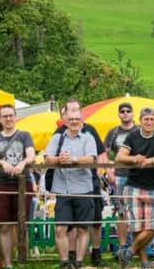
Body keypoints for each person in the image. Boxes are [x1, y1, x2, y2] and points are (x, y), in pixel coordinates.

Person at [116, 107, 154, 269]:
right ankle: (144, 263)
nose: (149, 122)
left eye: (151, 119)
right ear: (140, 121)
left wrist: (151, 161)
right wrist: (135, 158)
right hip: (133, 185)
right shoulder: (133, 136)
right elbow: (120, 156)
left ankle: (128, 251)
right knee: (137, 227)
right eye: (146, 119)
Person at [44, 108, 98, 269]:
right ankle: (65, 262)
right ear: (65, 121)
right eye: (71, 119)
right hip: (62, 189)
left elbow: (91, 159)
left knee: (83, 229)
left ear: (81, 121)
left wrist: (73, 159)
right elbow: (47, 159)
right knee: (60, 228)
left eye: (77, 119)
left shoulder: (88, 138)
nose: (74, 121)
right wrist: (59, 159)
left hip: (84, 188)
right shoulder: (57, 138)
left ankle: (79, 262)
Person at [57, 99, 108, 266]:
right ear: (64, 114)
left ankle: (96, 252)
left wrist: (101, 173)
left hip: (90, 181)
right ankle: (71, 256)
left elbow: (101, 154)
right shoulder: (59, 133)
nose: (72, 115)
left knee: (94, 220)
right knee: (70, 223)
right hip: (67, 183)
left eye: (75, 110)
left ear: (80, 112)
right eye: (69, 111)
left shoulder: (90, 130)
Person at [0, 104, 36, 269]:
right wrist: (3, 163)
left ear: (15, 117)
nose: (8, 119)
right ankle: (7, 263)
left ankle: (21, 260)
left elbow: (31, 155)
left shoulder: (24, 135)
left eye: (11, 115)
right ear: (0, 119)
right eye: (5, 116)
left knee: (21, 223)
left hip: (23, 182)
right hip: (1, 182)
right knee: (4, 224)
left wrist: (22, 163)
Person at [104, 102, 139, 258]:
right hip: (119, 175)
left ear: (133, 113)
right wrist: (108, 171)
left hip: (139, 176)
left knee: (138, 211)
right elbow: (104, 154)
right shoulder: (113, 133)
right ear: (119, 114)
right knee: (121, 212)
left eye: (128, 111)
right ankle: (123, 246)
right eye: (122, 111)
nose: (125, 113)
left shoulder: (139, 130)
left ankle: (138, 246)